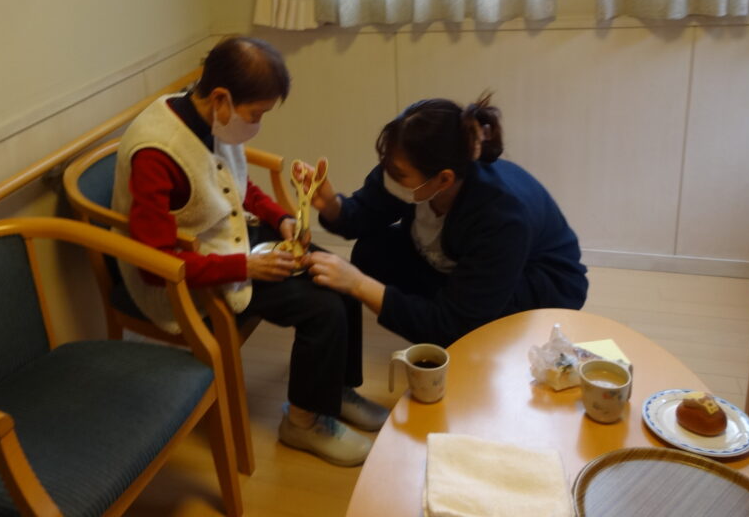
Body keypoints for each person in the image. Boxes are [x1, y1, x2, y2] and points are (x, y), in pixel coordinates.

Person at [112, 36, 386, 467]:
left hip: (229, 241)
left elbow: (237, 185)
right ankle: (302, 423)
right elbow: (154, 266)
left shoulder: (211, 116)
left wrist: (282, 218)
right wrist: (247, 266)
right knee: (323, 309)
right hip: (188, 274)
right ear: (222, 98)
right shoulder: (156, 153)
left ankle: (333, 391)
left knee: (336, 273)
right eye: (256, 113)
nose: (257, 123)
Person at [302, 93, 588, 347]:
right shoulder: (408, 165)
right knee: (371, 252)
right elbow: (364, 213)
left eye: (398, 173)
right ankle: (440, 311)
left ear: (444, 179)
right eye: (386, 163)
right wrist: (331, 206)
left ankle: (455, 325)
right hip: (458, 261)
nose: (388, 176)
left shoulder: (502, 216)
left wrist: (359, 285)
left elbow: (456, 325)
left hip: (537, 282)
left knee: (461, 329)